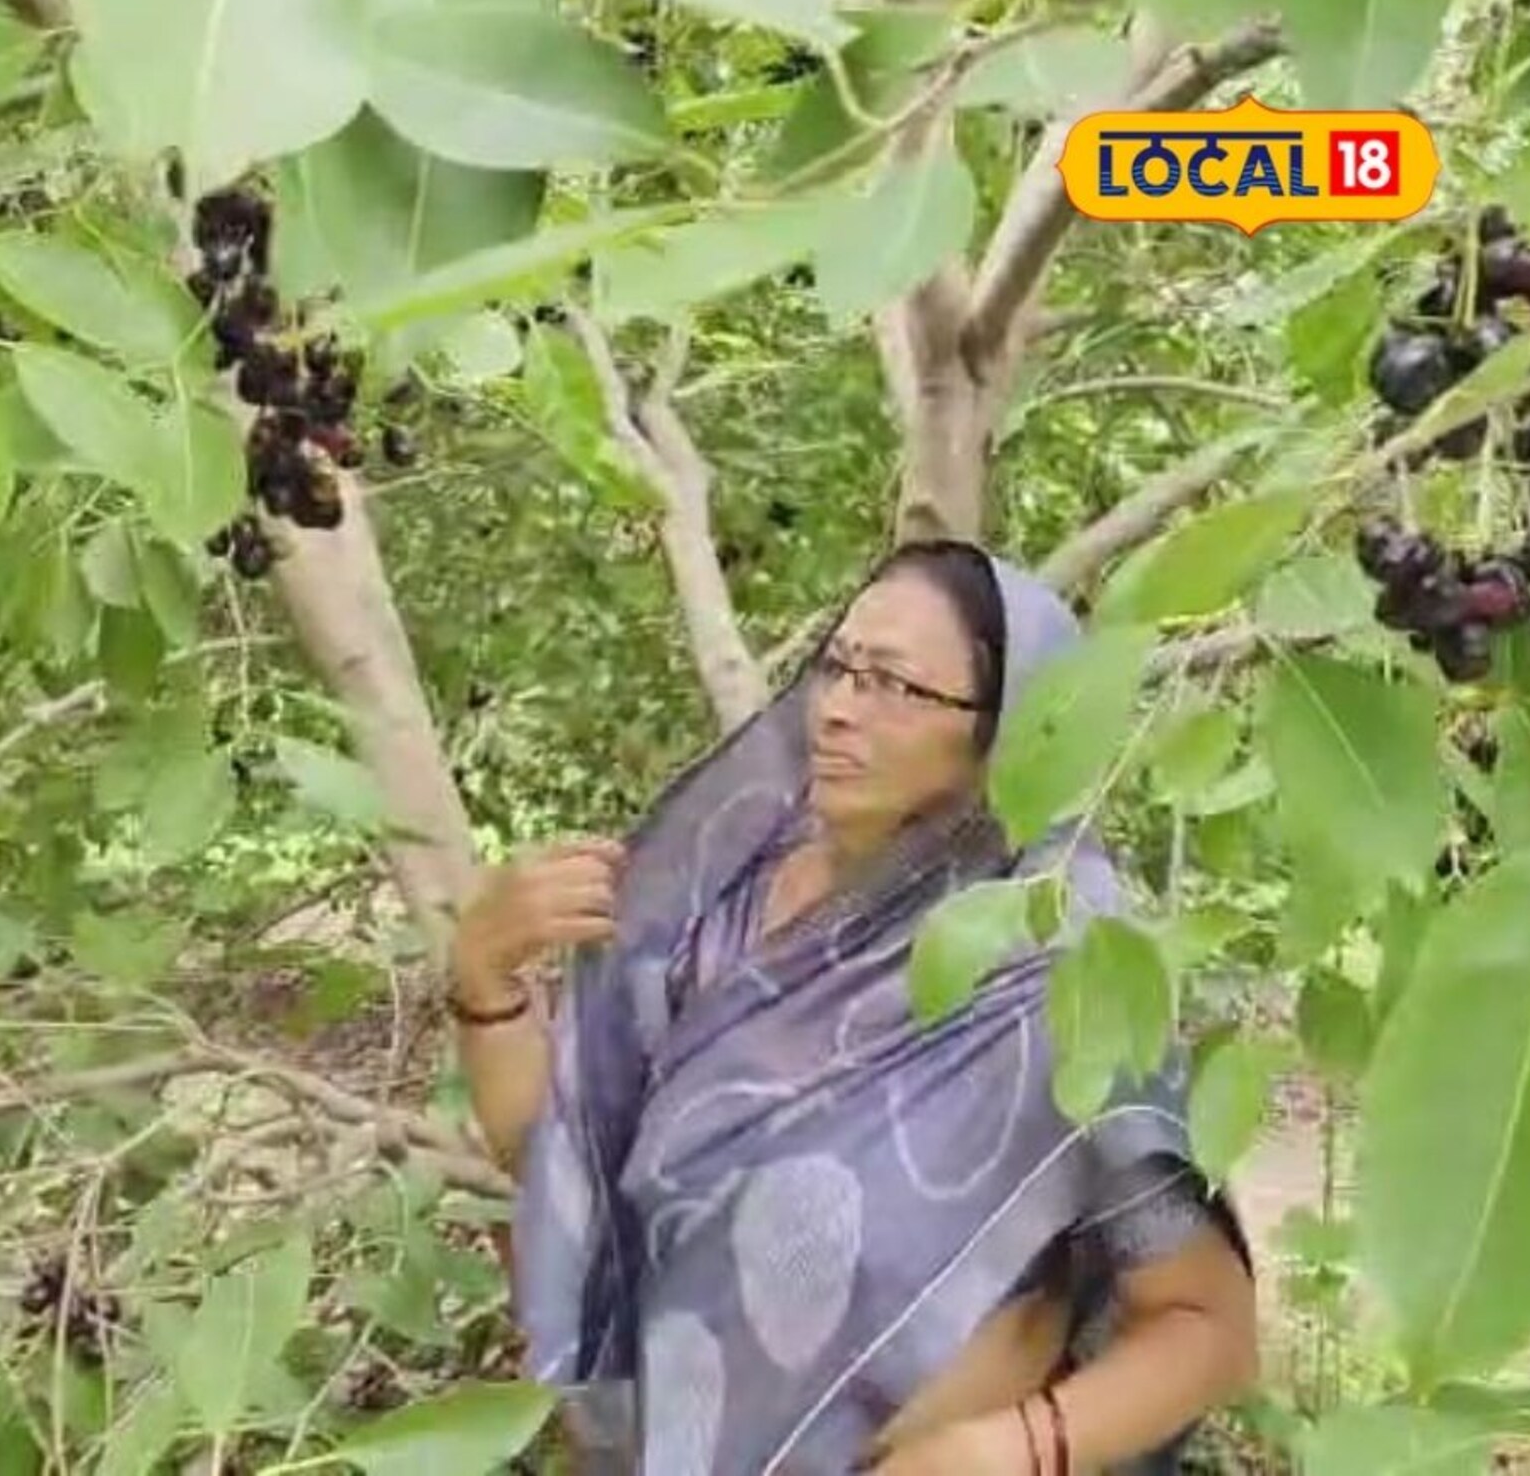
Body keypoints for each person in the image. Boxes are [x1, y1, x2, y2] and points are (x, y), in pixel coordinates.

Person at [446, 541, 1259, 1475]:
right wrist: (484, 983)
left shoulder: (1055, 975)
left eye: (896, 687)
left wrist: (1014, 1451)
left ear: (1011, 729)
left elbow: (1205, 1324)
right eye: (838, 666)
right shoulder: (725, 903)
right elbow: (569, 1173)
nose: (836, 709)